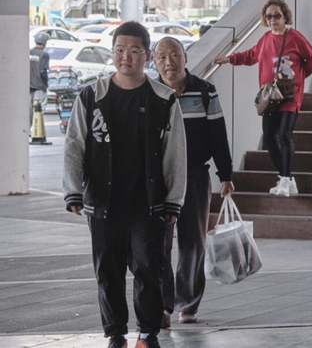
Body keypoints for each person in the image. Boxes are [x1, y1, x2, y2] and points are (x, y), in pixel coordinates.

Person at [63, 21, 187, 348]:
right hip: (104, 202)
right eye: (119, 50)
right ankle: (115, 334)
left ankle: (147, 333)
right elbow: (74, 144)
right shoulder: (92, 97)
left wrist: (174, 200)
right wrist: (73, 190)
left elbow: (175, 154)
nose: (125, 57)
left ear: (147, 55)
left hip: (148, 203)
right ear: (112, 52)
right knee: (108, 272)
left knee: (149, 268)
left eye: (133, 51)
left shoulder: (163, 99)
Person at [151, 38, 234, 327]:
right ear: (154, 61)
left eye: (174, 55)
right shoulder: (149, 93)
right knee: (158, 243)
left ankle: (187, 302)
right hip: (158, 178)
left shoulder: (205, 91)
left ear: (185, 57)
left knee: (193, 242)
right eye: (162, 57)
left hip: (195, 174)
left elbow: (218, 134)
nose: (168, 62)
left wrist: (226, 175)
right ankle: (162, 306)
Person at [214, 0, 312, 198]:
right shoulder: (265, 39)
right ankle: (286, 178)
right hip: (270, 96)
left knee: (285, 134)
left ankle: (286, 180)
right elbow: (251, 55)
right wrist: (229, 59)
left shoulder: (295, 37)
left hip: (289, 95)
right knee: (270, 138)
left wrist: (299, 78)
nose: (272, 19)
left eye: (277, 15)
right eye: (269, 16)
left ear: (285, 16)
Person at [30, 31, 50, 126]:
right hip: (39, 86)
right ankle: (37, 130)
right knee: (39, 109)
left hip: (28, 86)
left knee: (29, 110)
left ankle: (29, 130)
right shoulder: (44, 55)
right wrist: (46, 83)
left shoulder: (28, 52)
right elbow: (43, 71)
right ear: (44, 42)